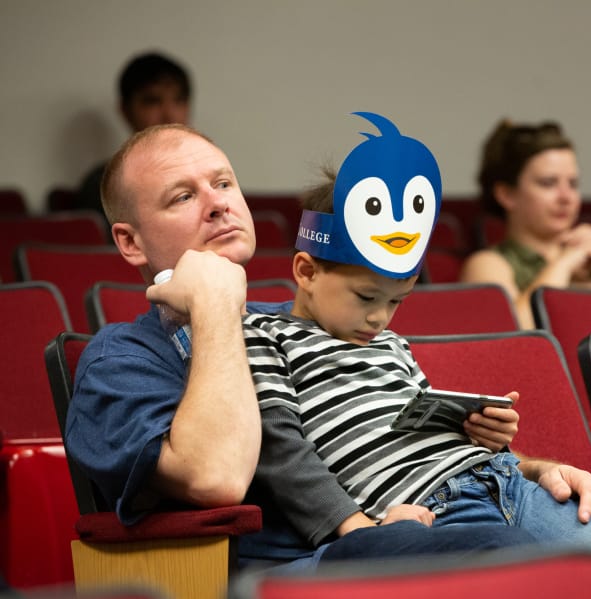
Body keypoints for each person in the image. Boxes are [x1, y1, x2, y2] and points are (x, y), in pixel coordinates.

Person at [241, 112, 591, 598]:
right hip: (430, 508)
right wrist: (355, 527)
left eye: (396, 301)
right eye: (365, 298)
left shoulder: (391, 345)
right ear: (307, 271)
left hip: (503, 482)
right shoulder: (264, 333)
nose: (380, 319)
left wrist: (482, 435)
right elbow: (280, 444)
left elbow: (421, 427)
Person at [63, 122, 544, 575]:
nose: (217, 205)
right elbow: (217, 477)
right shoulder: (119, 360)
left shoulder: (313, 320)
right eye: (183, 196)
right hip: (280, 570)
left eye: (224, 184)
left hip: (392, 528)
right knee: (513, 556)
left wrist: (537, 472)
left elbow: (396, 438)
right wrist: (213, 304)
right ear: (130, 242)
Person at [459, 119, 591, 329]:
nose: (566, 197)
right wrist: (565, 263)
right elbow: (512, 333)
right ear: (506, 194)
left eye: (573, 184)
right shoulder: (487, 263)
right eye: (548, 183)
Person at [74, 51, 192, 219]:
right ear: (126, 110)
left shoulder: (210, 175)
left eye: (179, 100)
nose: (169, 115)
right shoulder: (105, 184)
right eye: (153, 101)